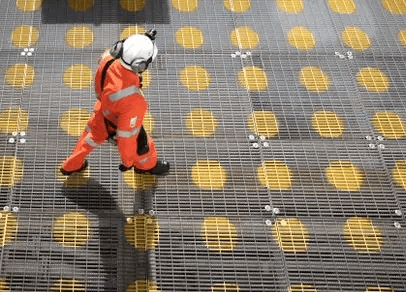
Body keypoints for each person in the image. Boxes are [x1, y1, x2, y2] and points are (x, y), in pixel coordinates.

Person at [60, 29, 170, 176]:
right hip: (118, 119)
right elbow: (127, 137)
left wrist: (141, 40)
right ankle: (146, 166)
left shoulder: (108, 60)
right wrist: (127, 162)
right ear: (140, 66)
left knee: (88, 139)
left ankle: (71, 166)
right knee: (144, 147)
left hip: (102, 111)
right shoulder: (134, 101)